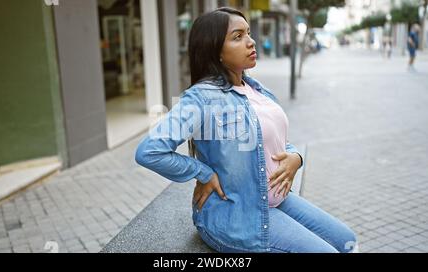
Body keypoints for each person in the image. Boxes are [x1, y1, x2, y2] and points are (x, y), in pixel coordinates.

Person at [135, 7, 357, 253]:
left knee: (347, 240)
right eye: (237, 37)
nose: (251, 42)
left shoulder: (257, 88)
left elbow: (273, 142)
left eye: (248, 33)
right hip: (237, 216)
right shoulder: (201, 98)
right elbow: (149, 151)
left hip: (276, 200)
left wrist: (296, 157)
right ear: (215, 50)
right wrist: (203, 172)